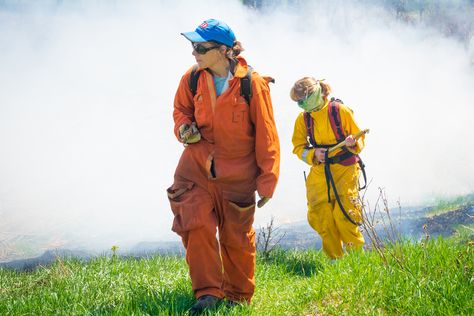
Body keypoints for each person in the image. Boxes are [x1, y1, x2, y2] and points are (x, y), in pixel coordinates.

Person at [167, 18, 280, 314]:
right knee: (196, 226)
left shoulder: (251, 84)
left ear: (223, 50)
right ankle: (207, 293)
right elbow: (180, 110)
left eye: (200, 47)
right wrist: (184, 129)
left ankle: (238, 297)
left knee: (236, 239)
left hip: (237, 177)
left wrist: (267, 180)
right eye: (193, 46)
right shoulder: (192, 78)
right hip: (195, 172)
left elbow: (267, 133)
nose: (194, 53)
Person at [290, 77, 365, 259]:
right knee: (321, 216)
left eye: (302, 101)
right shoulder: (303, 119)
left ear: (315, 94)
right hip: (320, 171)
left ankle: (357, 259)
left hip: (345, 170)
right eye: (297, 102)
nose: (300, 105)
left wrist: (352, 142)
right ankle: (335, 260)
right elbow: (298, 147)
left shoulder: (340, 111)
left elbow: (359, 138)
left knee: (345, 215)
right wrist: (313, 154)